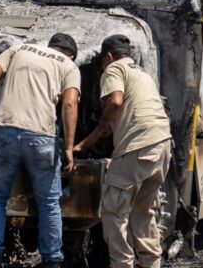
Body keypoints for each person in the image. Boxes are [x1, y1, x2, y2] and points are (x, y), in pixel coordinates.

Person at [0, 33, 81, 268]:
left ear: (50, 46)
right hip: (41, 137)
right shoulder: (68, 65)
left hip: (4, 131)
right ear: (72, 54)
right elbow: (70, 103)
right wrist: (70, 148)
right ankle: (52, 259)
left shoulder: (18, 49)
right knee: (49, 203)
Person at [74, 34, 172, 268]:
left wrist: (94, 135)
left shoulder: (114, 69)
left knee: (113, 211)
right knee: (143, 210)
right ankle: (151, 263)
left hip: (137, 146)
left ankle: (122, 264)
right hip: (162, 144)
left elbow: (115, 101)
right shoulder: (142, 74)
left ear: (108, 57)